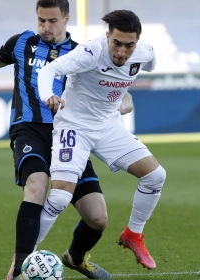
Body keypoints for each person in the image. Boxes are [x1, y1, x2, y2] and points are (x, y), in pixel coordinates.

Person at [0, 1, 133, 279]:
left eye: (52, 21)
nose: (46, 27)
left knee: (97, 217)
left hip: (71, 135)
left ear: (66, 19)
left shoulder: (84, 54)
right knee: (37, 185)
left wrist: (123, 103)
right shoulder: (22, 43)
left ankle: (75, 258)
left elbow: (119, 90)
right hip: (29, 130)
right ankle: (20, 268)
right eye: (41, 20)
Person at [37, 9, 166, 270]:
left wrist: (124, 99)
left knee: (156, 176)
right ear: (107, 37)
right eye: (116, 43)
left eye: (129, 45)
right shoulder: (90, 53)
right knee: (60, 198)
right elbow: (49, 70)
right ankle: (22, 259)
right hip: (74, 127)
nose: (121, 52)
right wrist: (47, 94)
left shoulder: (144, 53)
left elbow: (149, 63)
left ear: (137, 43)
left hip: (108, 127)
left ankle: (133, 235)